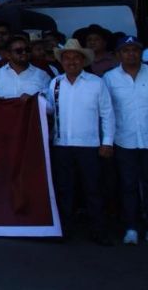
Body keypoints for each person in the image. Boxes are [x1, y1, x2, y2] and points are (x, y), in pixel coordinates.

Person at [46, 39, 115, 245]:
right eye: (67, 58)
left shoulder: (96, 83)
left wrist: (107, 142)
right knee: (65, 189)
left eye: (75, 57)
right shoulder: (55, 83)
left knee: (93, 189)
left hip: (89, 146)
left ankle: (98, 231)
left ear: (83, 60)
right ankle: (64, 230)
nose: (71, 61)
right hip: (62, 145)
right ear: (62, 61)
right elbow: (49, 109)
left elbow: (107, 114)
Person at [102, 36, 148, 245]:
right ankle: (131, 227)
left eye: (135, 50)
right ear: (119, 54)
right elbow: (105, 112)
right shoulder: (109, 78)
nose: (131, 54)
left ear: (141, 53)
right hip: (123, 141)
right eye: (126, 50)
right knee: (128, 186)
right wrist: (107, 141)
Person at [0, 35, 51, 104]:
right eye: (19, 51)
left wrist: (35, 100)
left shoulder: (42, 75)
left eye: (27, 49)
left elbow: (51, 105)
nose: (24, 53)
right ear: (8, 55)